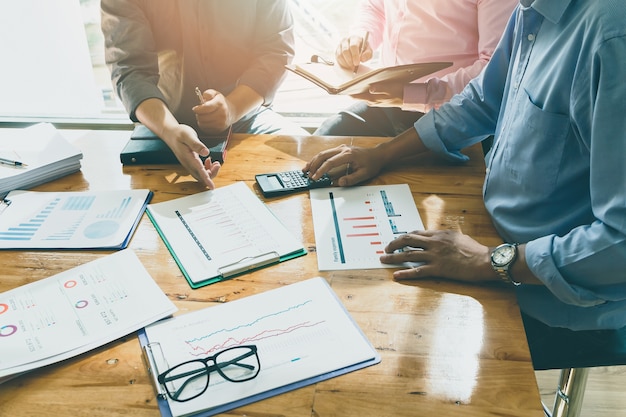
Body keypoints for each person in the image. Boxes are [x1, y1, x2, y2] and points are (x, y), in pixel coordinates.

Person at [304, 0, 626, 333]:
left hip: (549, 297)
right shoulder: (532, 9)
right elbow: (482, 101)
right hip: (492, 245)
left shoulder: (613, 37)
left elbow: (621, 243)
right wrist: (382, 154)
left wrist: (488, 261)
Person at [101, 0, 308, 189]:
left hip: (248, 118)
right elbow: (130, 69)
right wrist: (170, 130)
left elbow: (275, 51)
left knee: (309, 161)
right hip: (162, 126)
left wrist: (232, 108)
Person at [314, 0, 518, 137]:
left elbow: (494, 70)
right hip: (387, 103)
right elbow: (376, 7)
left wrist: (411, 94)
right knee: (322, 142)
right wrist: (361, 36)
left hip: (453, 118)